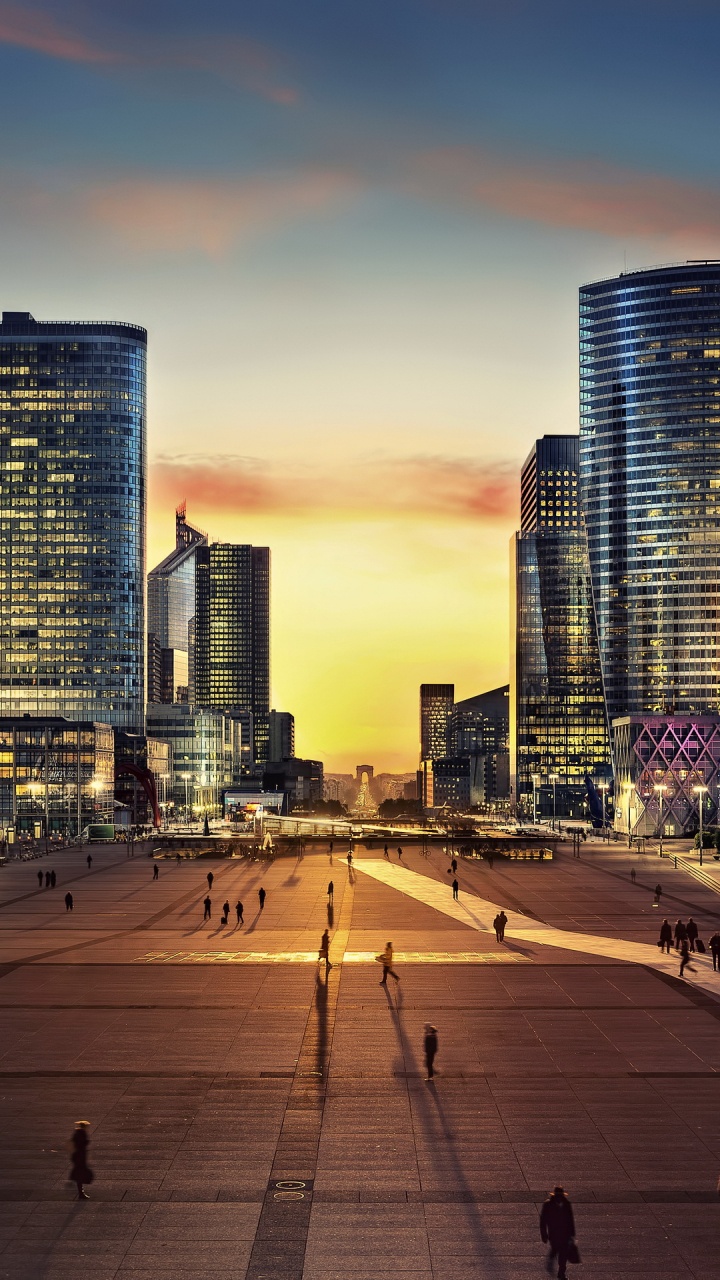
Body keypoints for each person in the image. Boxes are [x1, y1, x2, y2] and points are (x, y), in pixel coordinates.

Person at [540, 1185, 576, 1280]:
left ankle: (561, 1272)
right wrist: (544, 1234)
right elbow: (543, 1221)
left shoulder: (566, 1204)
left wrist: (572, 1234)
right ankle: (552, 1259)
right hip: (554, 1233)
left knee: (563, 1254)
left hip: (565, 1234)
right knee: (556, 1249)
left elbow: (570, 1219)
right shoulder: (548, 1205)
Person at [70, 1121, 93, 1200]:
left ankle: (81, 1192)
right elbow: (83, 1144)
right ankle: (81, 1193)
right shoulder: (82, 1133)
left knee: (79, 1175)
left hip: (77, 1156)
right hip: (80, 1157)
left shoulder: (77, 1133)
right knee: (80, 1174)